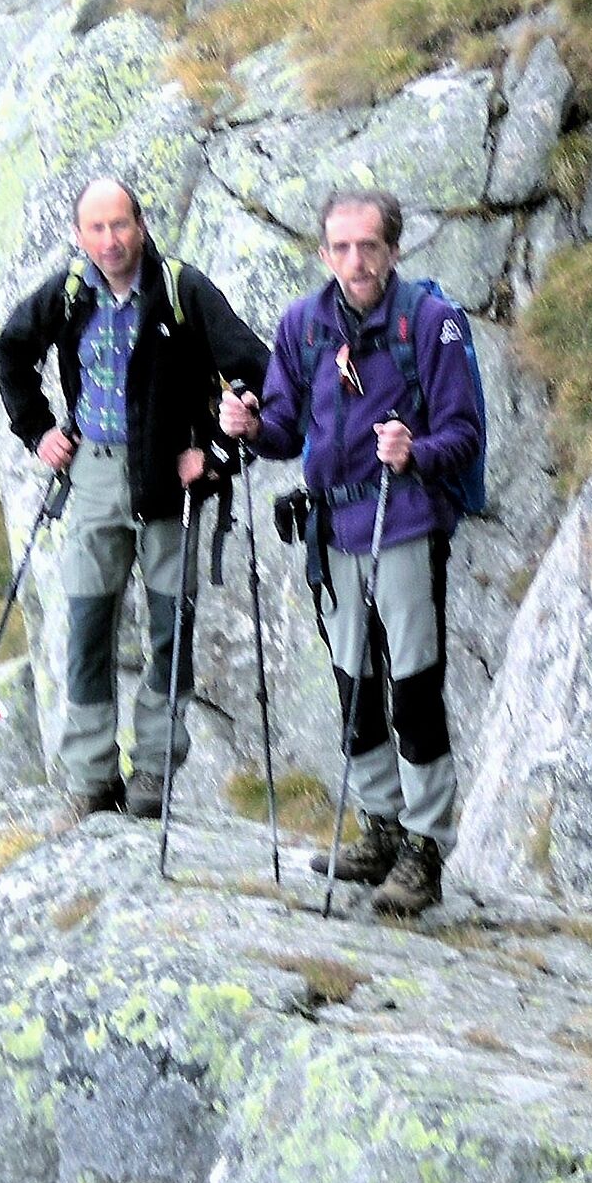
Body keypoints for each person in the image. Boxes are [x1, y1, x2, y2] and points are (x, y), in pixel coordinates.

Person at [220, 188, 482, 919]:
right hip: (332, 531)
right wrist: (248, 425)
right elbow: (283, 428)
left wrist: (415, 449)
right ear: (323, 252)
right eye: (341, 247)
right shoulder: (302, 325)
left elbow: (462, 433)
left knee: (415, 686)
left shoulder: (430, 324)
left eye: (369, 246)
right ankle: (381, 826)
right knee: (355, 685)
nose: (355, 260)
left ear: (394, 249)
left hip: (404, 521)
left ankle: (424, 847)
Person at [0, 178, 269, 822]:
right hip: (91, 474)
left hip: (170, 482)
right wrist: (37, 430)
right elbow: (11, 350)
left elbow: (255, 369)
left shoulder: (182, 290)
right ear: (78, 235)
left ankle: (153, 768)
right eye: (96, 228)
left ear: (141, 226)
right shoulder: (68, 293)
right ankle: (91, 775)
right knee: (88, 625)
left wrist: (215, 452)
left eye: (120, 225)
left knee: (169, 628)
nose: (110, 240)